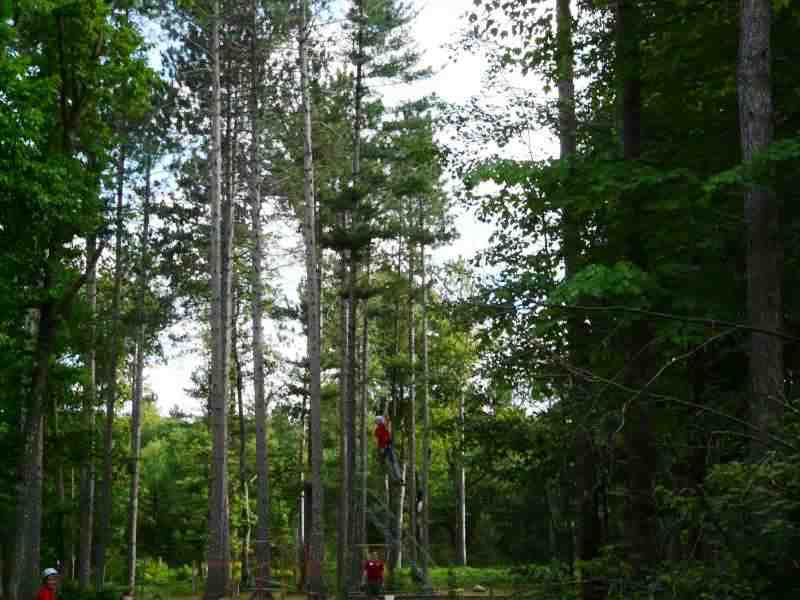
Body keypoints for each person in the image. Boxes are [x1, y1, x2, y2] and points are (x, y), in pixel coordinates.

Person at [374, 415, 401, 482]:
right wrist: (379, 450)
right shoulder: (378, 430)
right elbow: (377, 440)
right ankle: (395, 478)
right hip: (384, 448)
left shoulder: (385, 427)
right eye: (377, 421)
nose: (378, 422)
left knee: (393, 462)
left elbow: (388, 422)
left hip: (388, 447)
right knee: (390, 463)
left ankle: (398, 477)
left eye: (378, 421)